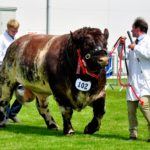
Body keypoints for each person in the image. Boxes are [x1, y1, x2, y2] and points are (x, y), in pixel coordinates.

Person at [121, 17, 150, 142]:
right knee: (131, 110)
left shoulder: (148, 41)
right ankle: (133, 134)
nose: (131, 30)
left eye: (133, 28)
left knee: (144, 106)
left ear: (138, 29)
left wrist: (135, 48)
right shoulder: (135, 42)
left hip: (145, 82)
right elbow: (123, 57)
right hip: (132, 82)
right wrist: (122, 46)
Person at [0, 19, 22, 123]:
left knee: (23, 93)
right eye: (13, 30)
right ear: (8, 28)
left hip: (17, 70)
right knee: (6, 94)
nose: (15, 32)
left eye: (16, 30)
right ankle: (6, 115)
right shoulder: (1, 39)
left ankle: (12, 113)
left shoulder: (17, 38)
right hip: (5, 69)